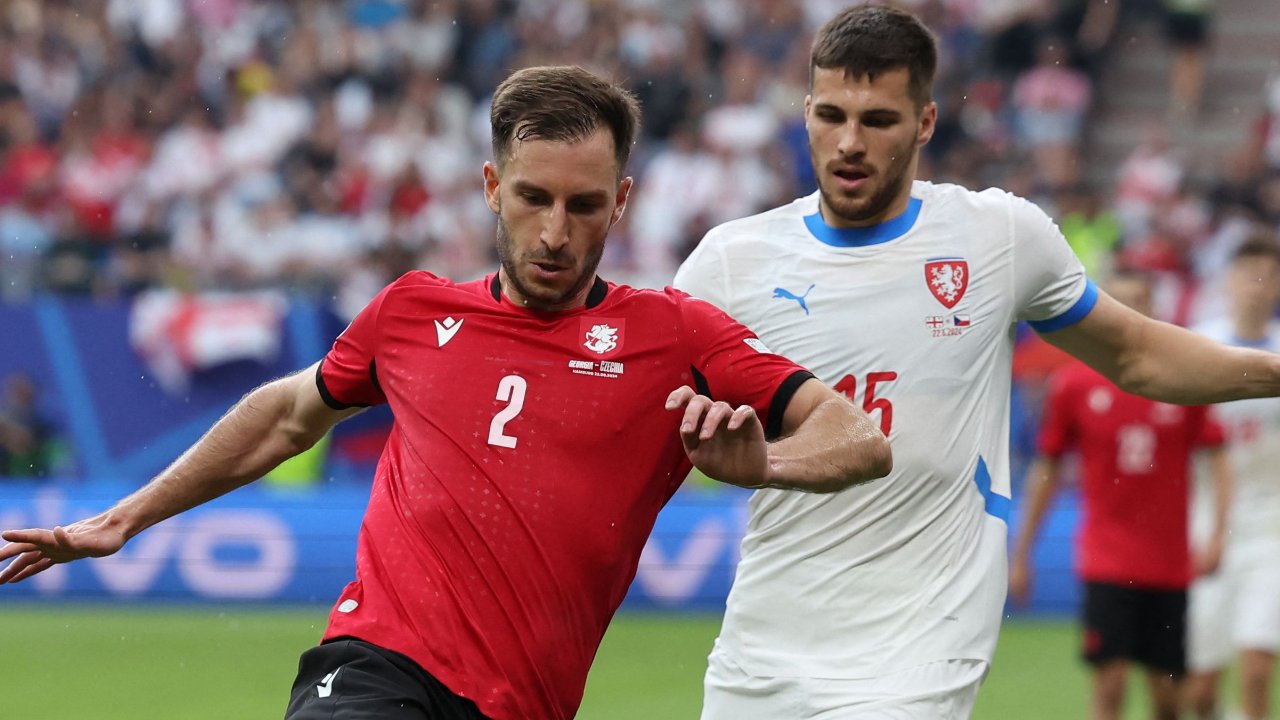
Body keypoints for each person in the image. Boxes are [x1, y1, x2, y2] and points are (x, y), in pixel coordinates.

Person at [0, 65, 893, 720]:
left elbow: (860, 439)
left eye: (584, 207)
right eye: (533, 198)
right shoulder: (412, 313)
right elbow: (282, 416)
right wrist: (123, 518)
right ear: (491, 189)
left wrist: (766, 463)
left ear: (621, 203)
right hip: (374, 671)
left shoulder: (678, 334)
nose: (555, 233)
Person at [672, 6, 1280, 717]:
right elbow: (634, 411)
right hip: (765, 644)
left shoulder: (998, 236)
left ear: (926, 123)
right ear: (805, 112)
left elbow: (1139, 355)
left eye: (878, 120)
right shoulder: (731, 263)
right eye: (831, 115)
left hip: (923, 645)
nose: (848, 143)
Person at [1009, 271, 1231, 720]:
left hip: (1170, 564)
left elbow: (1217, 457)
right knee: (1108, 687)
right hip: (1107, 559)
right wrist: (1022, 553)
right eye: (1119, 302)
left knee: (1168, 700)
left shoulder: (1179, 381)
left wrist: (1219, 533)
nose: (1128, 312)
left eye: (1138, 302)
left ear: (1152, 313)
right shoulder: (1074, 384)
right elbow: (1047, 470)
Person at [1185, 233, 1280, 720]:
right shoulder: (1199, 344)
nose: (1256, 287)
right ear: (1229, 281)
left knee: (1259, 670)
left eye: (1267, 277)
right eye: (1248, 275)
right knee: (1200, 690)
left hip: (1270, 529)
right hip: (1205, 528)